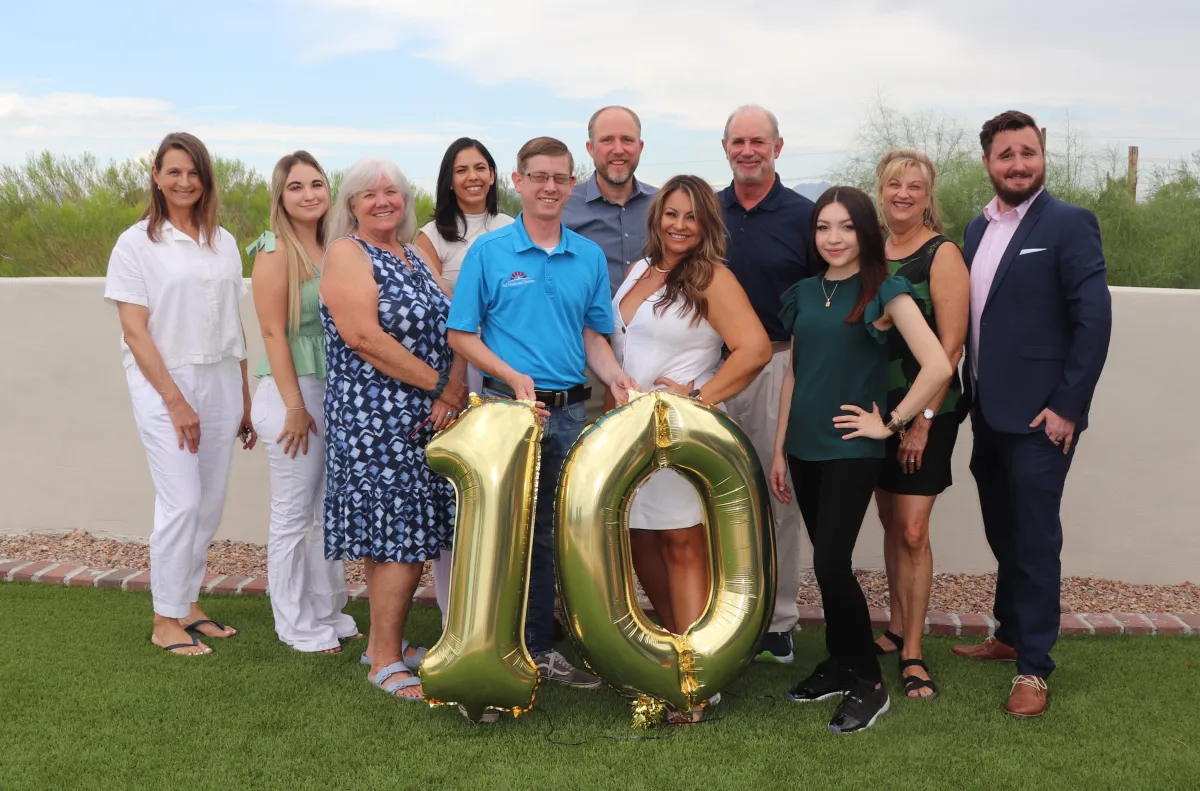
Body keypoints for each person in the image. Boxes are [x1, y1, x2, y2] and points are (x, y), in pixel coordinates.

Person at [448, 136, 640, 691]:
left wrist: (616, 377)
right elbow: (461, 333)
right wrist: (510, 376)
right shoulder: (490, 252)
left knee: (556, 535)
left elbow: (593, 335)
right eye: (539, 177)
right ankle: (493, 648)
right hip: (510, 415)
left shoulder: (586, 256)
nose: (550, 187)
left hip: (571, 415)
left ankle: (539, 648)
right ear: (519, 181)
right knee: (504, 533)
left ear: (571, 182)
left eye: (560, 178)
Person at [769, 186, 952, 733]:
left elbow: (938, 366)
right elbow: (795, 375)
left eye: (846, 227)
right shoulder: (803, 292)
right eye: (824, 227)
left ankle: (869, 682)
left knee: (830, 565)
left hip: (853, 447)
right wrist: (779, 448)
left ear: (865, 231)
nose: (834, 238)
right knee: (828, 561)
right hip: (802, 448)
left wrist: (890, 424)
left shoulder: (884, 289)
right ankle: (838, 661)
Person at [951, 111, 1112, 719]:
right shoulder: (976, 228)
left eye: (1027, 152)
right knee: (1002, 528)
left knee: (1036, 538)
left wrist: (1068, 407)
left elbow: (1093, 320)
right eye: (1004, 154)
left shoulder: (1070, 224)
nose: (1017, 164)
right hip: (988, 410)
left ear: (1041, 155)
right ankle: (1011, 631)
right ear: (987, 162)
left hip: (1043, 419)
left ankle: (1034, 669)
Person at [610, 174, 772, 722]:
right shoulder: (639, 270)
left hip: (682, 433)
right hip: (632, 435)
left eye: (690, 217)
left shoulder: (711, 277)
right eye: (670, 214)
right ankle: (674, 653)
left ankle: (698, 680)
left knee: (682, 544)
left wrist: (699, 395)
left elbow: (753, 350)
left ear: (706, 225)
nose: (679, 226)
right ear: (656, 217)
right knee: (639, 541)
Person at [319, 157, 467, 701]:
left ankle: (388, 641)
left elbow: (453, 326)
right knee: (398, 539)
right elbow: (363, 336)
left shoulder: (412, 254)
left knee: (406, 536)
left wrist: (449, 387)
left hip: (424, 415)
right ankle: (383, 658)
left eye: (393, 192)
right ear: (351, 205)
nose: (383, 201)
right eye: (369, 194)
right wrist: (442, 388)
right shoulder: (346, 253)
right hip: (374, 417)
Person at [104, 131, 257, 656]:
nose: (185, 181)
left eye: (193, 172)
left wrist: (243, 396)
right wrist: (175, 400)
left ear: (206, 178)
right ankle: (164, 618)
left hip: (220, 380)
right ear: (156, 176)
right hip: (165, 382)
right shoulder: (135, 243)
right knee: (182, 500)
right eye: (174, 171)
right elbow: (135, 332)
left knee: (209, 503)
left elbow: (233, 324)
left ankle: (189, 603)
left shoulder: (224, 241)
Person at [247, 151, 361, 654]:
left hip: (328, 391)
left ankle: (325, 609)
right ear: (281, 196)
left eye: (317, 184)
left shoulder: (333, 246)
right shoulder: (273, 249)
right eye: (296, 187)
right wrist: (295, 405)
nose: (309, 194)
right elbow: (273, 332)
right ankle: (292, 621)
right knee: (293, 514)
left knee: (321, 510)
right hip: (292, 393)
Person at [869, 149, 970, 699]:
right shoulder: (872, 252)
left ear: (929, 196)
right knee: (890, 522)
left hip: (928, 412)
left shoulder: (943, 254)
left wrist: (923, 421)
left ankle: (913, 651)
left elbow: (951, 346)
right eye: (893, 185)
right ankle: (894, 624)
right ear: (880, 191)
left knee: (912, 529)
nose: (903, 193)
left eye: (914, 186)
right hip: (877, 410)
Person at [717, 104, 815, 663]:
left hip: (779, 365)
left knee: (777, 495)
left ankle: (777, 620)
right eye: (738, 141)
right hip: (711, 368)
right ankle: (724, 610)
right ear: (725, 147)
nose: (748, 150)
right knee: (714, 496)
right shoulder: (707, 210)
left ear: (778, 147)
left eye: (759, 141)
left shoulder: (804, 216)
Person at [413, 137, 513, 622]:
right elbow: (442, 303)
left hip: (502, 374)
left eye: (480, 167)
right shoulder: (430, 236)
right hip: (452, 374)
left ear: (493, 175)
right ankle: (457, 614)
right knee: (455, 492)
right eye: (461, 169)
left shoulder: (513, 229)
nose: (472, 176)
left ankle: (503, 610)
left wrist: (466, 292)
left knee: (503, 493)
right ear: (448, 180)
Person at [563, 105, 658, 296]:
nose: (618, 149)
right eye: (607, 140)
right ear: (590, 148)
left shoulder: (663, 205)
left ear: (640, 147)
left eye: (627, 140)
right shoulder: (563, 207)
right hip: (585, 325)